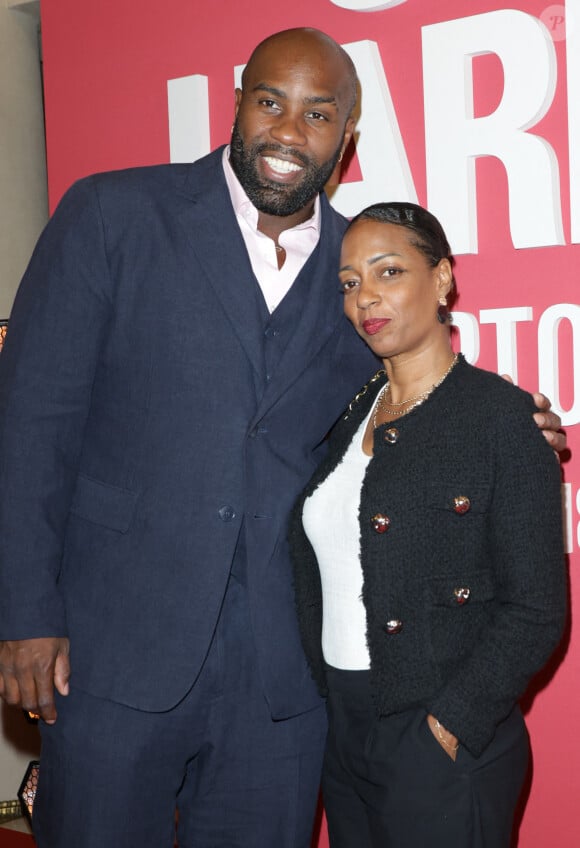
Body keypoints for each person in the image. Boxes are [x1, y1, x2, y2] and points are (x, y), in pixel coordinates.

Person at [0, 28, 564, 848]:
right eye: (270, 103)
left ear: (347, 139)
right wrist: (23, 612)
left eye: (318, 113)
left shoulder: (357, 266)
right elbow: (30, 425)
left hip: (285, 685)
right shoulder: (112, 214)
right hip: (111, 654)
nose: (289, 132)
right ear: (236, 105)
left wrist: (513, 423)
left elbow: (415, 388)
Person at [290, 201, 567, 848]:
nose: (365, 298)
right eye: (350, 282)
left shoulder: (502, 420)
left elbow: (537, 610)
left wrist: (448, 724)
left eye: (388, 272)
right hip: (342, 731)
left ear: (442, 278)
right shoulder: (347, 414)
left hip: (439, 732)